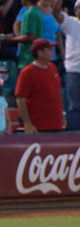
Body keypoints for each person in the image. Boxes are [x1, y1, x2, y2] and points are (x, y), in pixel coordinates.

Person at [14, 38, 66, 133]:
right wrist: (28, 124)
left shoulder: (53, 68)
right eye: (49, 49)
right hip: (39, 126)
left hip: (57, 124)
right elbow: (20, 99)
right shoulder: (27, 72)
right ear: (40, 52)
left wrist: (62, 116)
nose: (52, 52)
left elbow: (56, 94)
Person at [53, 0, 80, 130]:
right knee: (74, 106)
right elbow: (56, 12)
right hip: (74, 70)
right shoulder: (71, 22)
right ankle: (75, 135)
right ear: (75, 11)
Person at [4, 0, 43, 69]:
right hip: (33, 57)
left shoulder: (30, 13)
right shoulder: (37, 11)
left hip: (28, 58)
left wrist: (10, 39)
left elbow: (30, 37)